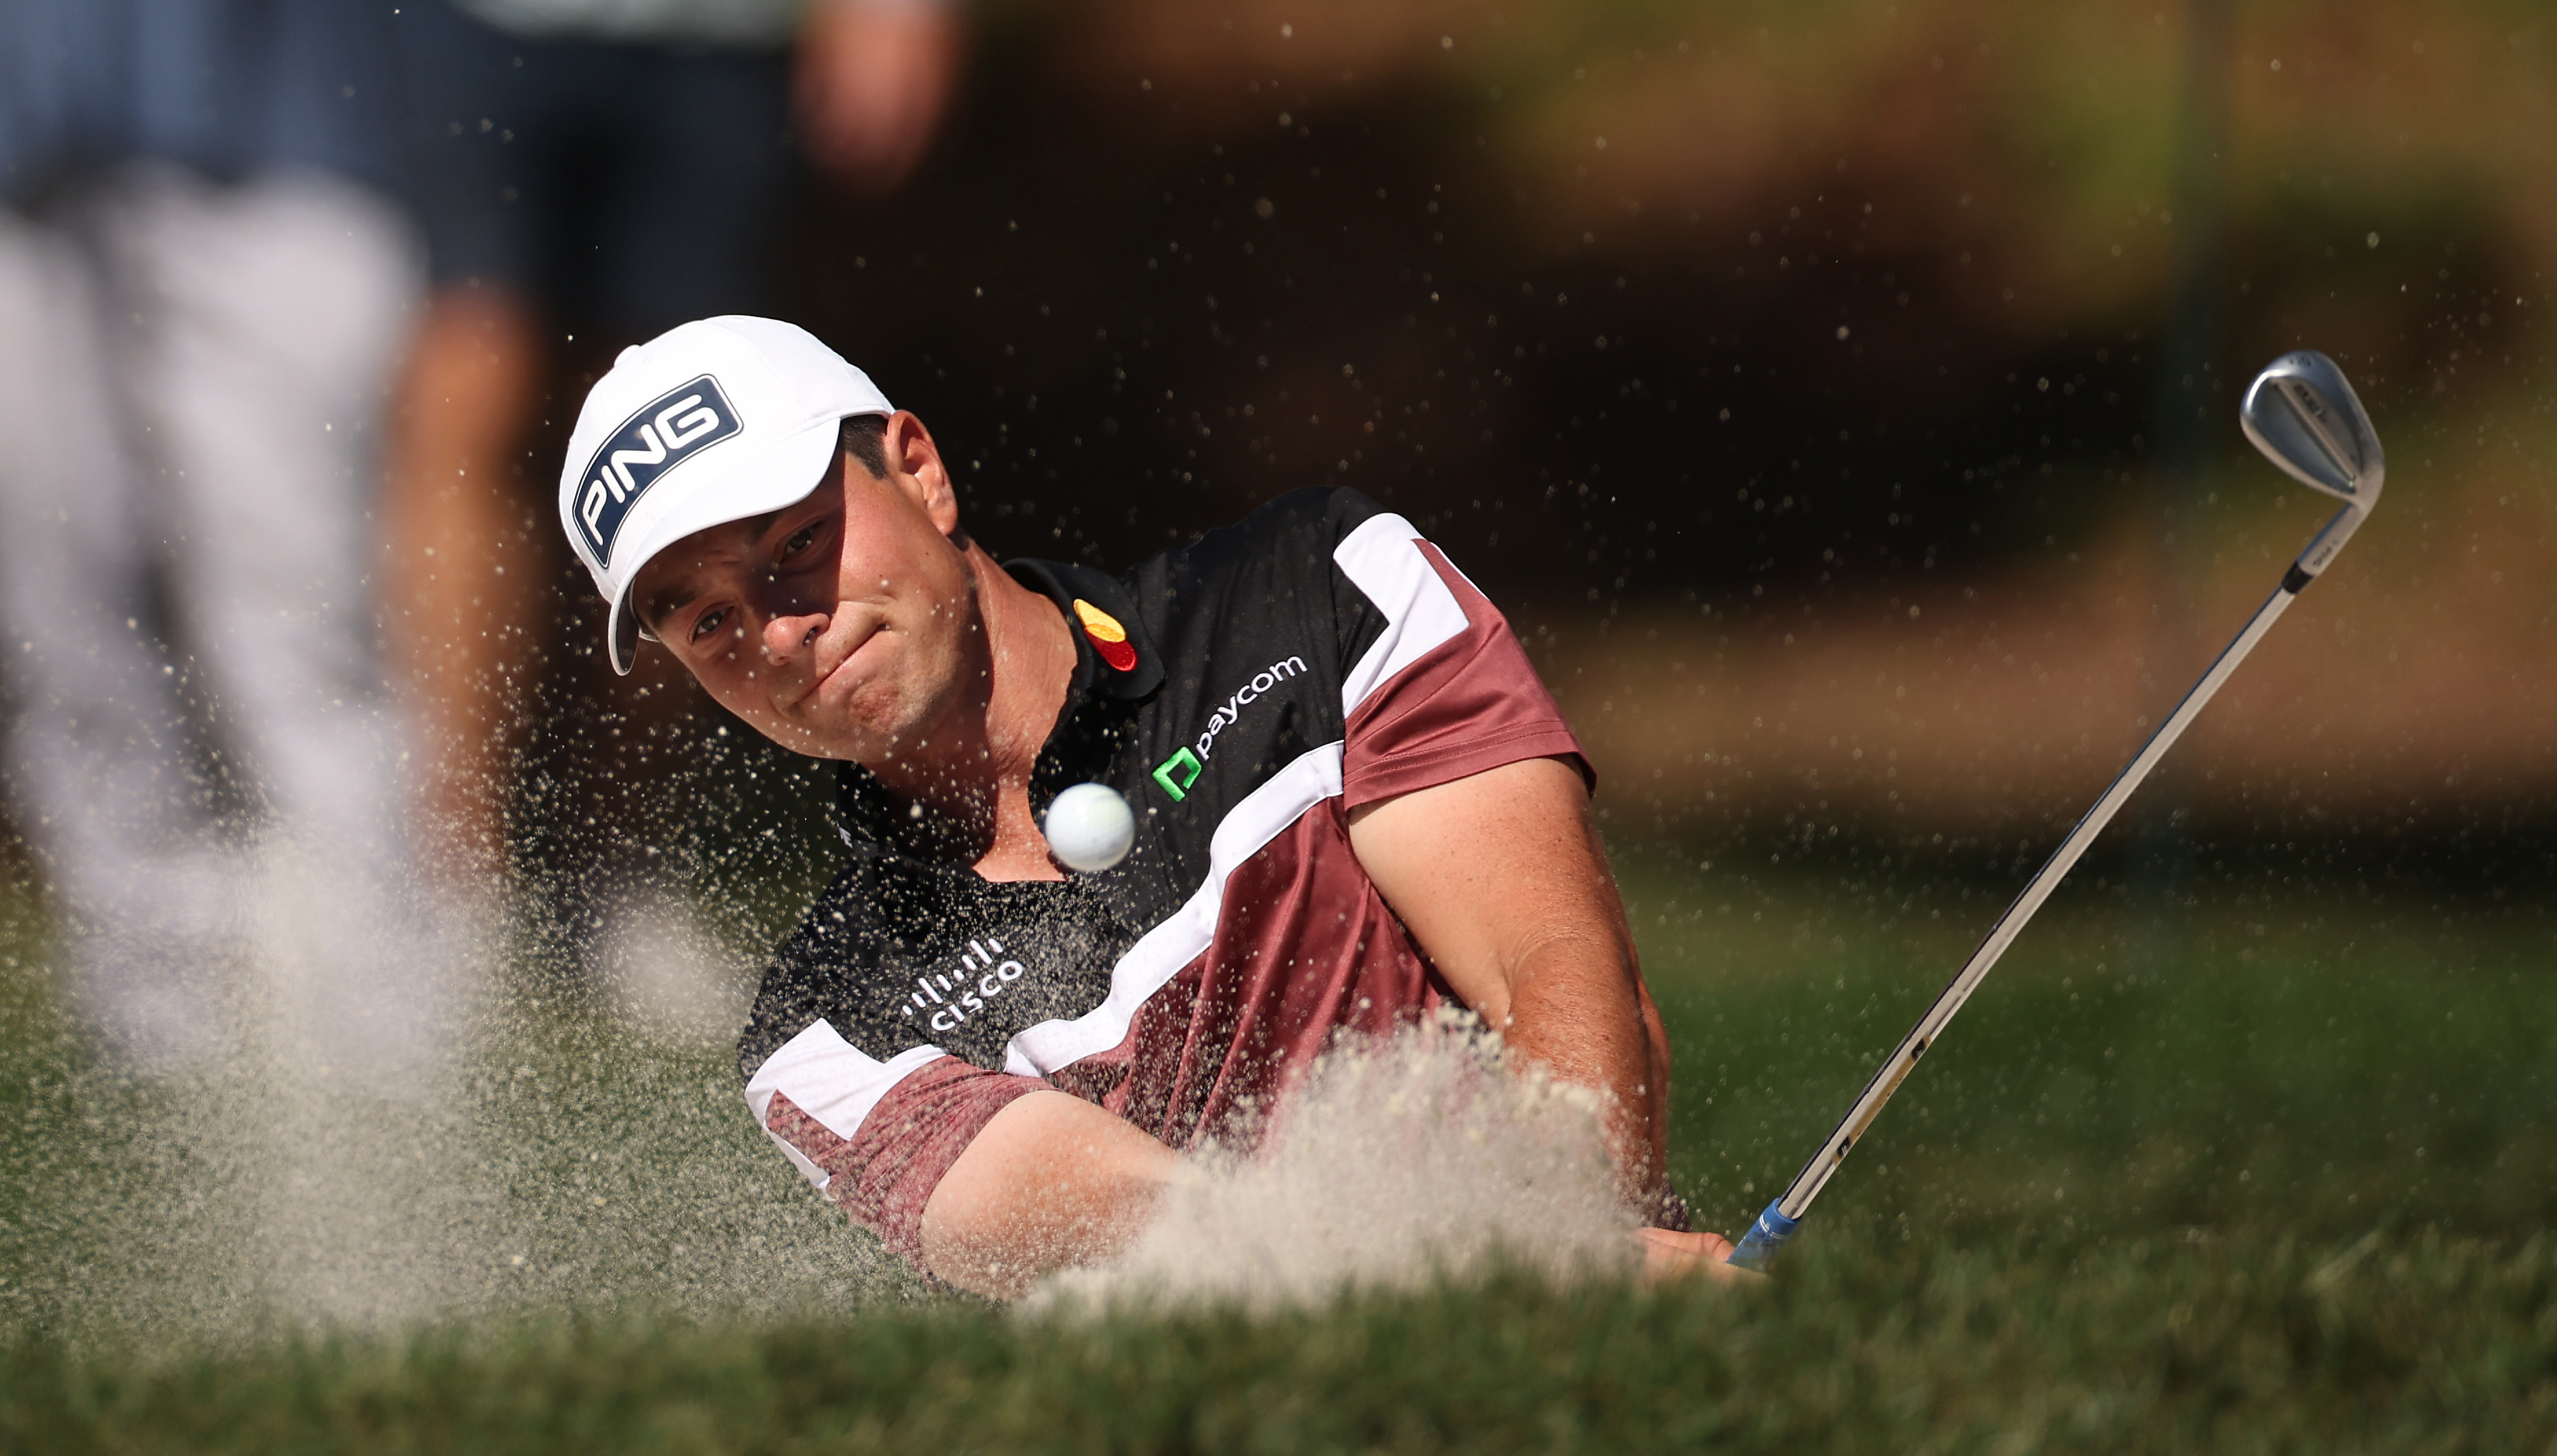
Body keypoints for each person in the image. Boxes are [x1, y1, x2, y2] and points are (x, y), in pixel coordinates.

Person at [554, 316, 1744, 1296]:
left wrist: (1577, 1265)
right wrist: (1536, 1279)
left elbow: (1556, 972)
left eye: (799, 544)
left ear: (920, 469)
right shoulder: (821, 1031)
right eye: (710, 621)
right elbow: (1166, 1236)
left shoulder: (1318, 591)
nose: (779, 632)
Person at [386, 0, 966, 957]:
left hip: (718, 34)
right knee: (475, 393)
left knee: (695, 481)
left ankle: (614, 879)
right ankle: (454, 878)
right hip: (484, 26)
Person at [0, 0, 439, 1073]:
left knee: (300, 618)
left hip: (282, 164)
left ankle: (380, 1018)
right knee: (64, 619)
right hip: (26, 172)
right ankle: (154, 1012)